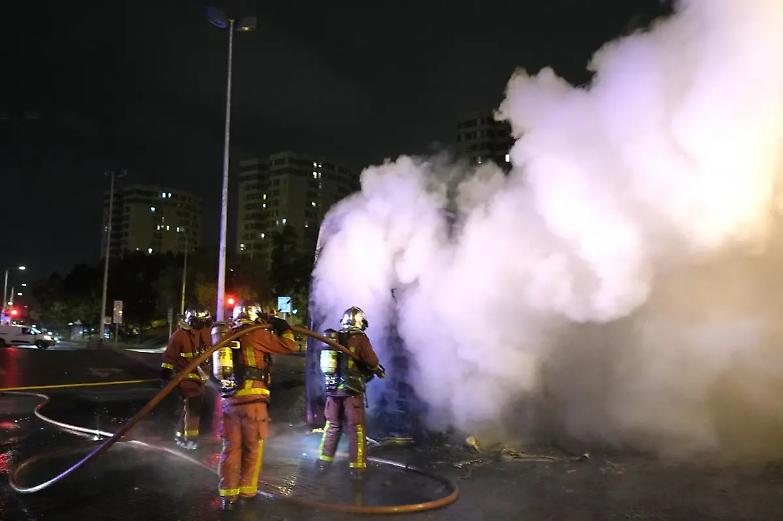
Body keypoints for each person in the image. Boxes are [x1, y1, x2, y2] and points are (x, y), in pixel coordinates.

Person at [215, 303, 297, 511]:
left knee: (231, 449)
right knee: (253, 449)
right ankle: (247, 492)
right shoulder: (256, 334)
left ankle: (228, 497)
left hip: (230, 403)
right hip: (253, 402)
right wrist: (282, 326)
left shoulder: (226, 335)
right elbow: (290, 346)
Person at [318, 306, 384, 477]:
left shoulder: (334, 338)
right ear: (360, 322)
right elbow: (371, 360)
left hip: (333, 391)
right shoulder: (360, 338)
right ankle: (357, 468)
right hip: (351, 391)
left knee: (332, 426)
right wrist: (377, 369)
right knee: (356, 428)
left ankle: (323, 462)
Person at [160, 307, 213, 450]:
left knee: (190, 408)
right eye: (200, 322)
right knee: (193, 406)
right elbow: (169, 357)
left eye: (205, 322)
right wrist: (165, 373)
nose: (203, 325)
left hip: (200, 378)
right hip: (185, 378)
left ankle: (180, 436)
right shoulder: (179, 335)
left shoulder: (206, 333)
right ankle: (190, 440)